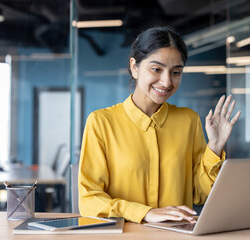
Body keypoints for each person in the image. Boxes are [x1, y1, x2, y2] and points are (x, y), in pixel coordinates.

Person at [78, 26, 241, 224]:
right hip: (125, 236)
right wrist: (145, 213)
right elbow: (89, 200)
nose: (166, 81)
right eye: (156, 69)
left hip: (177, 235)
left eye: (176, 72)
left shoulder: (188, 120)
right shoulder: (101, 123)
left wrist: (215, 146)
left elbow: (200, 193)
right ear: (134, 67)